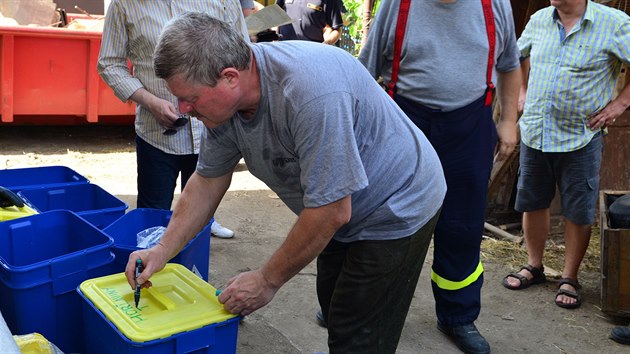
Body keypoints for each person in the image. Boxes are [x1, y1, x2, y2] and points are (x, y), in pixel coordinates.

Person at [125, 12, 446, 354]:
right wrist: (162, 250)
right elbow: (206, 181)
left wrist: (266, 280)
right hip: (341, 205)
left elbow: (332, 211)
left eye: (190, 98)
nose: (182, 109)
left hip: (397, 201)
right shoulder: (222, 106)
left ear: (230, 77)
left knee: (360, 333)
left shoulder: (309, 93)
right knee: (336, 304)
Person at [359, 1, 521, 353]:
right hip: (404, 121)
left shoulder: (494, 5)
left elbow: (509, 65)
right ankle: (357, 308)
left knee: (462, 227)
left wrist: (508, 120)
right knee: (383, 221)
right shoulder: (397, 5)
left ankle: (457, 316)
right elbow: (363, 71)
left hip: (469, 126)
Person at [502, 0, 630, 310]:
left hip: (581, 136)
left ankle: (570, 277)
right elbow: (518, 56)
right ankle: (535, 265)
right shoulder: (539, 19)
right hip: (537, 129)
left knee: (578, 209)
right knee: (533, 201)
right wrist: (522, 91)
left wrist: (620, 104)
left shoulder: (614, 23)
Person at [97, 0, 244, 238]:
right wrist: (150, 101)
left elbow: (242, 54)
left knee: (202, 208)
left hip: (212, 128)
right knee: (153, 216)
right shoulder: (125, 4)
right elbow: (109, 63)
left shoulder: (225, 2)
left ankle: (205, 225)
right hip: (156, 133)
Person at [276, 0, 343, 44]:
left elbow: (336, 29)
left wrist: (325, 44)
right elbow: (275, 14)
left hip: (311, 52)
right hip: (285, 48)